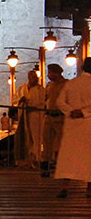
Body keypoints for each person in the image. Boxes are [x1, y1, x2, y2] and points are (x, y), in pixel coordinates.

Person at [54, 57, 91, 198]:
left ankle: (65, 186)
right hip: (88, 124)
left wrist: (70, 111)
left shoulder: (71, 84)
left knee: (69, 155)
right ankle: (89, 187)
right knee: (88, 156)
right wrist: (84, 112)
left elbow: (60, 101)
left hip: (71, 124)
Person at [15, 69, 46, 169]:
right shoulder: (22, 88)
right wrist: (21, 101)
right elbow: (15, 100)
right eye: (32, 77)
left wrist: (33, 107)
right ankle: (26, 159)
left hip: (36, 115)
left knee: (36, 137)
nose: (34, 79)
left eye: (35, 77)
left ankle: (36, 158)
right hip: (24, 115)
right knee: (25, 137)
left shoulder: (40, 90)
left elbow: (42, 102)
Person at [43, 63, 68, 177]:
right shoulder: (49, 85)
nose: (49, 75)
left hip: (60, 116)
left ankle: (61, 166)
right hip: (49, 116)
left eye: (51, 72)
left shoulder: (66, 85)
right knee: (46, 141)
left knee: (61, 142)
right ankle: (46, 166)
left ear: (57, 73)